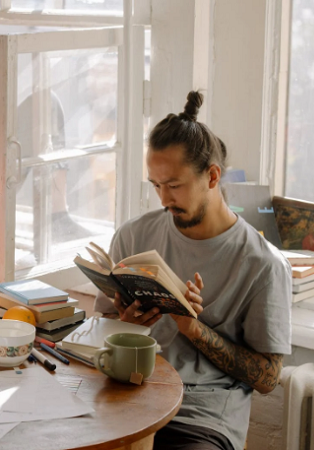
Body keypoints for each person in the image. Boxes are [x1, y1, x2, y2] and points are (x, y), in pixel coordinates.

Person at [94, 91, 291, 450]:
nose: (164, 199)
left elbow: (268, 379)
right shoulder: (133, 235)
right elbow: (101, 328)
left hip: (200, 416)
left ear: (212, 176)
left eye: (174, 185)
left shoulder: (264, 264)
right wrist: (126, 324)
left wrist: (193, 329)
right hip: (129, 394)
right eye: (156, 186)